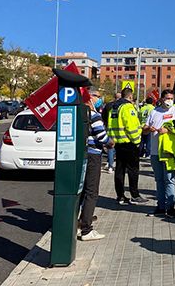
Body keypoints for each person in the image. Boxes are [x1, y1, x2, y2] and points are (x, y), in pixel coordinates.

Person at [145, 89, 175, 218]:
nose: (169, 101)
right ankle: (161, 206)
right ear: (161, 99)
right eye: (167, 98)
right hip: (155, 151)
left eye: (171, 98)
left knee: (169, 179)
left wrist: (168, 129)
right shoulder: (154, 112)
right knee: (159, 180)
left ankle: (171, 207)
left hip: (169, 151)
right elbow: (145, 129)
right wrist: (148, 128)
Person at [79, 88, 113, 241]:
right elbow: (101, 136)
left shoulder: (80, 113)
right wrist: (110, 142)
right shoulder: (94, 115)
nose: (100, 99)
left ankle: (77, 222)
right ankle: (86, 229)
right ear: (90, 97)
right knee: (92, 192)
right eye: (98, 96)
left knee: (82, 190)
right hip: (94, 155)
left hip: (82, 154)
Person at [107, 87, 147, 205]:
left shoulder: (114, 107)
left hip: (118, 143)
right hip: (129, 143)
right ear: (130, 96)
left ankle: (120, 196)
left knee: (119, 170)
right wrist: (137, 141)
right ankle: (134, 195)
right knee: (133, 170)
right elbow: (131, 127)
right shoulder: (128, 107)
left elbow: (109, 125)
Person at [101, 92, 121, 173]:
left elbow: (103, 115)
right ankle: (114, 164)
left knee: (110, 147)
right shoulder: (122, 106)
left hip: (109, 128)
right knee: (117, 147)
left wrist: (106, 124)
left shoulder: (108, 105)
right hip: (120, 130)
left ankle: (110, 165)